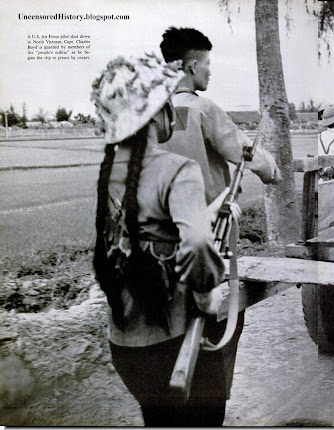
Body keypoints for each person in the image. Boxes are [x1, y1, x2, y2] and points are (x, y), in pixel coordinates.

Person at [92, 53, 240, 426]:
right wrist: (207, 296)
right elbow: (199, 247)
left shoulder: (108, 172)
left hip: (125, 346)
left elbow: (144, 234)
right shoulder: (178, 169)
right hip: (175, 340)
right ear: (157, 112)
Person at [159, 27, 281, 204]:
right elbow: (245, 151)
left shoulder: (154, 112)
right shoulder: (203, 109)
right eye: (207, 63)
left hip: (164, 215)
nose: (209, 71)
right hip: (209, 216)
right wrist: (272, 171)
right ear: (193, 67)